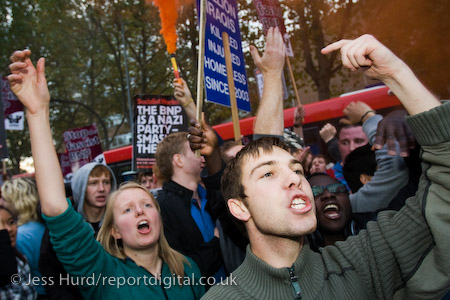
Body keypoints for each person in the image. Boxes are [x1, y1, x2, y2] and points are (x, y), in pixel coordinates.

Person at [201, 34, 449, 299]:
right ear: (239, 207)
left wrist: (396, 73)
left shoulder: (366, 263)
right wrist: (272, 76)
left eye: (297, 170)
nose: (294, 179)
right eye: (268, 173)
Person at [8, 49, 204, 299]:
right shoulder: (101, 274)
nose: (140, 211)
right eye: (127, 209)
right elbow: (56, 208)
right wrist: (37, 113)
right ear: (114, 231)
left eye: (146, 204)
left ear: (158, 217)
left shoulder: (189, 270)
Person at [155, 132, 226, 283]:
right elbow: (183, 269)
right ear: (178, 160)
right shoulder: (163, 208)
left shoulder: (209, 195)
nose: (203, 156)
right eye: (195, 150)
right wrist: (217, 242)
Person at [39, 161, 117, 299]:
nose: (101, 188)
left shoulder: (119, 222)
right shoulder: (65, 225)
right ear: (80, 187)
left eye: (106, 182)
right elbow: (51, 273)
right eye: (93, 183)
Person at [1, 177, 46, 298]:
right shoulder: (41, 225)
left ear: (16, 201)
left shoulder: (19, 235)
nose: (1, 203)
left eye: (4, 199)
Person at [0, 204, 37, 299]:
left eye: (11, 222)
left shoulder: (20, 258)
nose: (8, 229)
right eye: (0, 225)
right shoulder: (5, 266)